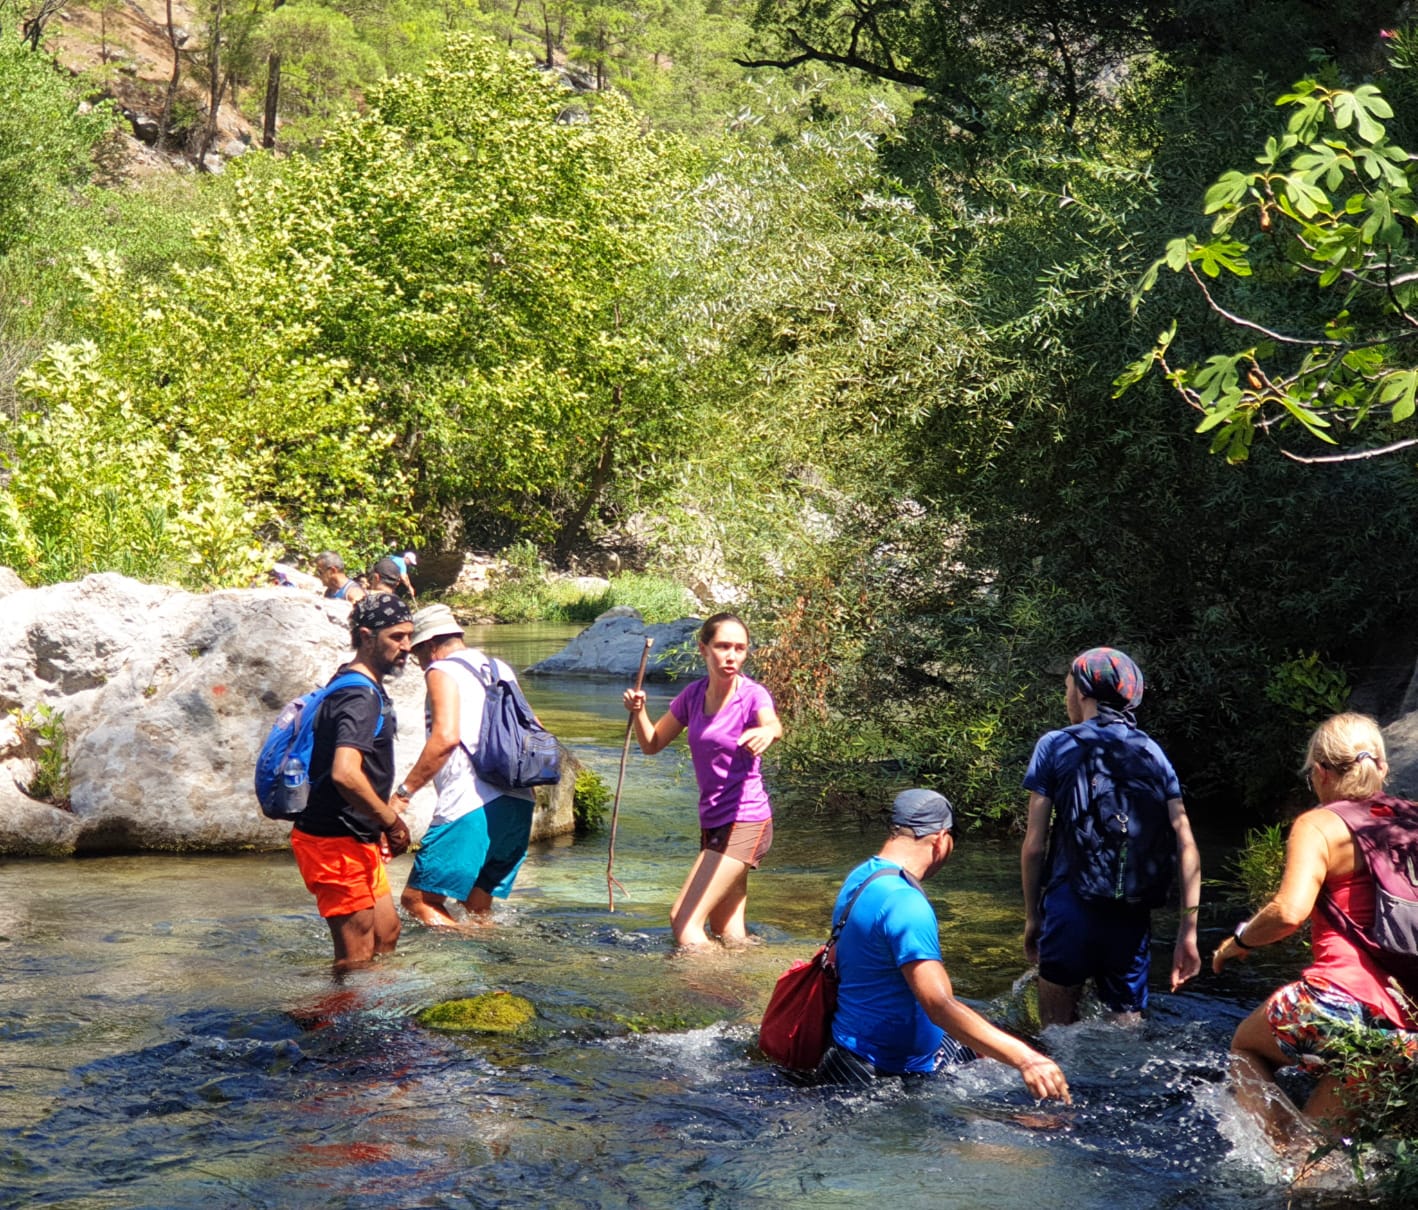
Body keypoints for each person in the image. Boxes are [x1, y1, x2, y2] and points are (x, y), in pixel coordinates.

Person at [1213, 713, 1418, 1144]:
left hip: (1336, 1003)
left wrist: (1239, 941)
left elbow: (1289, 912)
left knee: (1245, 1048)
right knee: (1319, 1152)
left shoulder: (1319, 824)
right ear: (1382, 767)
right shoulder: (1411, 821)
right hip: (1407, 1021)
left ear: (1321, 773)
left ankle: (1272, 1154)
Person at [819, 788, 1072, 1100]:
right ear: (941, 839)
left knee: (1005, 1039)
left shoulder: (861, 878)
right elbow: (938, 1005)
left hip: (847, 1052)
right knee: (1040, 1103)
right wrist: (1026, 1060)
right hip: (888, 1072)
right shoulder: (905, 903)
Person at [1020, 646, 1202, 1026]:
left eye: (1068, 686)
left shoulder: (1055, 745)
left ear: (1082, 691)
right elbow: (1186, 844)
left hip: (1070, 906)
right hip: (1131, 914)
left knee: (1055, 1036)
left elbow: (1034, 846)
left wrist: (1032, 917)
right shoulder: (1153, 753)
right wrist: (1189, 931)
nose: (1067, 695)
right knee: (1125, 1038)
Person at [622, 612, 781, 949]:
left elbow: (772, 724)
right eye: (723, 646)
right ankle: (741, 994)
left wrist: (767, 731)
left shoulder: (752, 695)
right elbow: (652, 744)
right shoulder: (692, 696)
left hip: (746, 820)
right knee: (728, 930)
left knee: (684, 921)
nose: (731, 655)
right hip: (714, 822)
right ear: (703, 649)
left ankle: (700, 992)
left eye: (740, 648)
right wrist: (639, 712)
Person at [287, 594, 414, 971]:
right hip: (331, 840)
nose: (406, 646)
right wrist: (390, 820)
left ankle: (377, 1017)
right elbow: (345, 772)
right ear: (366, 636)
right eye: (396, 637)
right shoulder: (358, 694)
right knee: (356, 958)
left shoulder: (353, 682)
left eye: (409, 636)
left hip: (356, 837)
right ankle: (329, 1027)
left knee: (386, 932)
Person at [396, 603, 539, 926]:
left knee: (419, 900)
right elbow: (535, 728)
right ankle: (491, 968)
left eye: (418, 656)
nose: (420, 665)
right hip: (517, 803)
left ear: (430, 647)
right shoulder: (499, 667)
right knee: (476, 906)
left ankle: (460, 967)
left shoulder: (442, 670)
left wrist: (403, 793)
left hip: (469, 804)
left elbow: (445, 737)